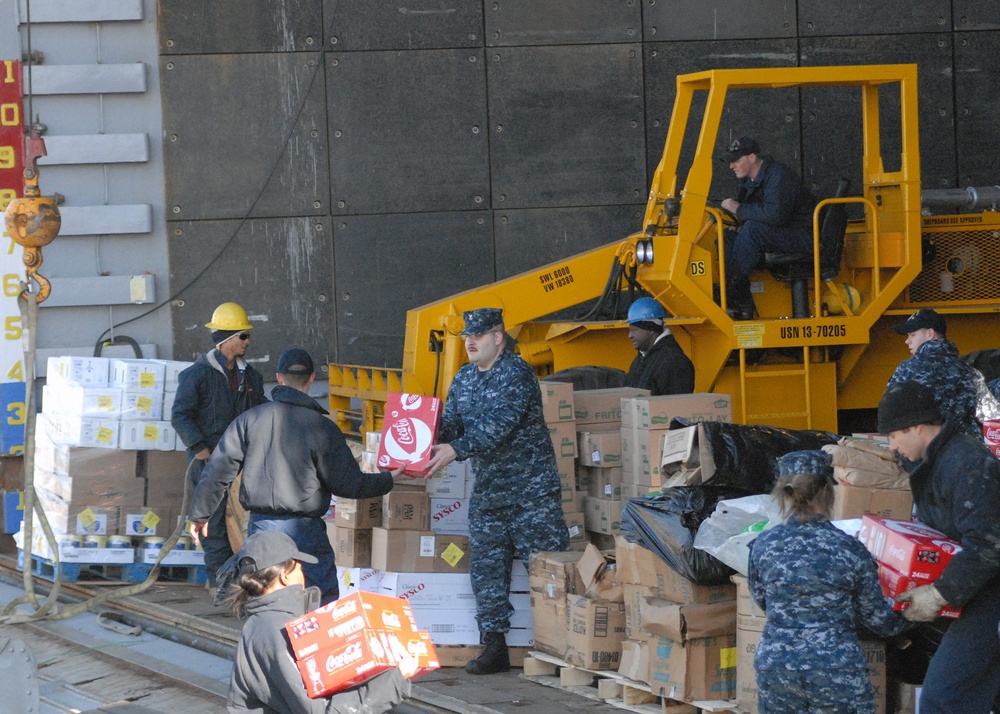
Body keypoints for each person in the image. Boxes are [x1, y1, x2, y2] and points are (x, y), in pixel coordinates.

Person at [189, 348, 402, 605]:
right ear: (311, 379)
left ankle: (272, 644)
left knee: (264, 599)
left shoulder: (249, 420)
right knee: (317, 602)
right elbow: (349, 484)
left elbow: (217, 472)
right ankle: (308, 645)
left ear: (279, 378)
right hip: (306, 533)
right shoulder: (322, 427)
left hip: (261, 530)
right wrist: (389, 479)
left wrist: (200, 515)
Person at [423, 307, 569, 675]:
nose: (470, 342)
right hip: (489, 495)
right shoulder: (464, 378)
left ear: (498, 338)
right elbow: (453, 423)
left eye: (478, 335)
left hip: (530, 494)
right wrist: (421, 439)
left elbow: (497, 426)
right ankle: (495, 647)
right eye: (466, 336)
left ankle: (564, 646)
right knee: (487, 576)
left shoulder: (516, 374)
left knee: (548, 572)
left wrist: (456, 449)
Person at [747, 450, 912, 714]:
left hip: (777, 664)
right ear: (827, 491)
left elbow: (762, 599)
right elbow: (879, 620)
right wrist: (913, 610)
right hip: (835, 667)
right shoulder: (848, 548)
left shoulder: (763, 545)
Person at [876, 380, 1000, 714]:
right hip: (976, 590)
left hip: (991, 594)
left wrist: (939, 594)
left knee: (944, 698)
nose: (891, 447)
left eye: (892, 436)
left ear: (916, 426)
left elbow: (989, 543)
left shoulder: (965, 463)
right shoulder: (933, 462)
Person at [225, 530, 410, 714]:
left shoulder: (267, 622)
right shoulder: (277, 631)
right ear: (285, 575)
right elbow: (320, 711)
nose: (303, 575)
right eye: (299, 568)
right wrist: (396, 678)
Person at [172, 302, 267, 589]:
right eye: (243, 336)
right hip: (208, 463)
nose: (248, 341)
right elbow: (180, 414)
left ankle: (243, 581)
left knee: (243, 521)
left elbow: (260, 410)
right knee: (214, 526)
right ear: (226, 339)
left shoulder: (250, 377)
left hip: (243, 462)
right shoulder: (197, 375)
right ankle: (220, 583)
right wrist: (199, 446)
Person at [718, 136, 816, 320]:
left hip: (803, 235)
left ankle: (735, 288)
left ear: (752, 157)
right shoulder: (750, 182)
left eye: (736, 160)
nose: (731, 166)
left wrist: (739, 209)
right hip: (782, 233)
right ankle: (742, 300)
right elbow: (762, 215)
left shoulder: (779, 175)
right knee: (726, 237)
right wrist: (742, 225)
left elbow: (775, 215)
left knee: (753, 230)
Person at [886, 308, 985, 437]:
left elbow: (889, 409)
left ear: (930, 334)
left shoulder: (909, 368)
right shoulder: (967, 369)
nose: (907, 341)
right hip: (966, 447)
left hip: (926, 448)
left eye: (912, 335)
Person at [622, 297, 694, 395]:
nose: (630, 335)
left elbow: (677, 405)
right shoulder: (641, 359)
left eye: (634, 330)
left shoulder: (673, 362)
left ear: (651, 329)